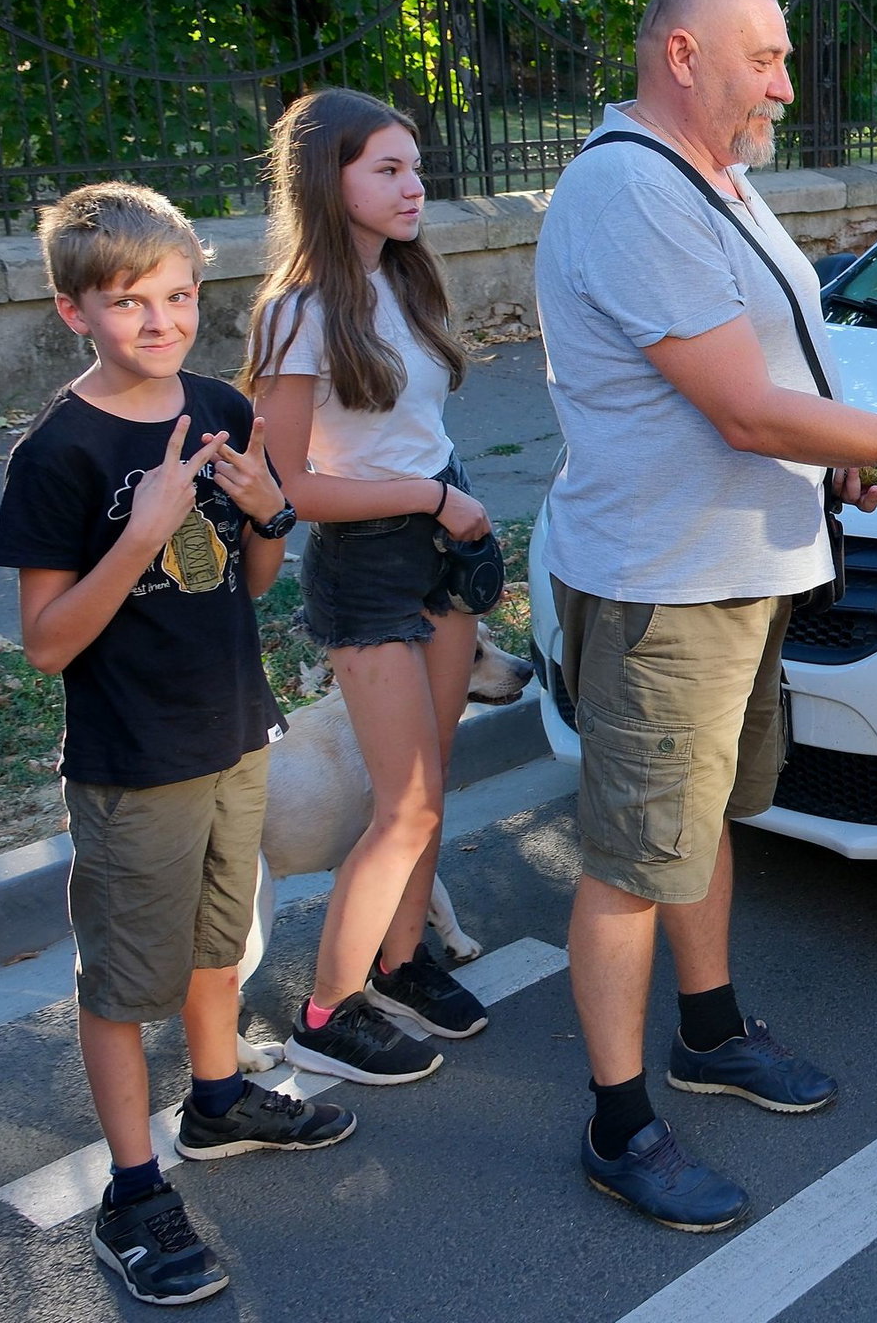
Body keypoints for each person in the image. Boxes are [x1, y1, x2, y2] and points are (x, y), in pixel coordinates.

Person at [536, 0, 877, 1233]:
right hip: (669, 586)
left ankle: (709, 1030)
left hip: (739, 569)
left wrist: (843, 463)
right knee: (628, 861)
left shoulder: (712, 182)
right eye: (764, 57)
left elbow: (770, 379)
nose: (785, 82)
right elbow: (738, 401)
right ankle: (619, 1126)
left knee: (707, 811)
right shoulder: (629, 190)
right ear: (682, 57)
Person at [0, 184, 355, 1308]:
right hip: (132, 760)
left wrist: (267, 514)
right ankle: (133, 1190)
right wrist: (142, 531)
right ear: (74, 312)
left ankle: (215, 1098)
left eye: (180, 294)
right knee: (121, 983)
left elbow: (250, 584)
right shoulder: (56, 453)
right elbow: (48, 645)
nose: (161, 319)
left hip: (233, 731)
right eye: (129, 301)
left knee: (218, 947)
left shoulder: (217, 408)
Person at [244, 88, 495, 1084]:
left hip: (442, 539)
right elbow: (292, 487)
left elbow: (414, 425)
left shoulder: (406, 280)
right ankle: (325, 1011)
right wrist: (432, 498)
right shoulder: (294, 312)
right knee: (405, 807)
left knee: (432, 793)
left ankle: (399, 963)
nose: (413, 186)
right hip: (371, 563)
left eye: (414, 166)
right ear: (326, 181)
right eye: (385, 169)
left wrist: (448, 504)